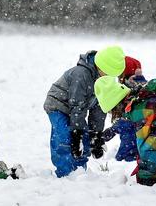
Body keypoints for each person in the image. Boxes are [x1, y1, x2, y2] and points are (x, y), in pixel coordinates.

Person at [43, 46, 126, 177]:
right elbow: (77, 105)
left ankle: (79, 172)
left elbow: (99, 109)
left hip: (77, 110)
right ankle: (64, 173)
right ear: (100, 67)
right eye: (107, 73)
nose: (108, 77)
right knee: (64, 136)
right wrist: (77, 134)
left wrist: (95, 135)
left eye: (112, 76)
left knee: (85, 139)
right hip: (58, 106)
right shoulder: (81, 75)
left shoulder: (104, 80)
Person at [103, 56, 146, 162]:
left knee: (129, 133)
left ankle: (127, 158)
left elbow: (129, 119)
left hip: (137, 136)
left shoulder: (132, 90)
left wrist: (113, 129)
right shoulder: (142, 86)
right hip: (148, 135)